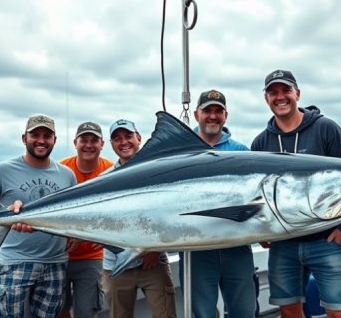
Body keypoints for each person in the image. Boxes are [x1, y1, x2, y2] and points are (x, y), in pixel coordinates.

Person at [251, 70, 341, 318]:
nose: (280, 97)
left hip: (326, 240)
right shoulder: (259, 144)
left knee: (339, 311)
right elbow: (258, 195)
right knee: (288, 310)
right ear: (266, 98)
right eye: (273, 92)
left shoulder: (326, 129)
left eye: (286, 90)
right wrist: (261, 230)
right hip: (283, 244)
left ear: (297, 93)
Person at [0, 114, 76, 317]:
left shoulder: (67, 175)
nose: (41, 140)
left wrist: (74, 235)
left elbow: (72, 214)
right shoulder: (2, 170)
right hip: (16, 262)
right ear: (24, 138)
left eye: (47, 135)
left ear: (54, 140)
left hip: (56, 263)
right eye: (35, 135)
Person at [180, 89, 257, 318]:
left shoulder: (241, 152)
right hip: (197, 248)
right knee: (202, 313)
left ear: (225, 115)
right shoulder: (182, 152)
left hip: (237, 246)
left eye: (218, 111)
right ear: (196, 114)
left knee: (245, 311)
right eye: (207, 111)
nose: (213, 116)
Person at [101, 119, 177, 318]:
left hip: (153, 263)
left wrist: (154, 248)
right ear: (111, 144)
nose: (124, 142)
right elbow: (101, 222)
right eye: (117, 139)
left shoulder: (159, 171)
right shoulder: (105, 179)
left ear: (139, 138)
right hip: (116, 265)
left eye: (128, 136)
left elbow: (168, 213)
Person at [58, 121, 114, 318]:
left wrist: (82, 236)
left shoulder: (111, 171)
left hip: (92, 257)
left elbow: (111, 216)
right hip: (59, 255)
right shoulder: (61, 170)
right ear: (75, 142)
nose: (88, 145)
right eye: (84, 140)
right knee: (59, 309)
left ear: (102, 144)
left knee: (86, 312)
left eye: (94, 140)